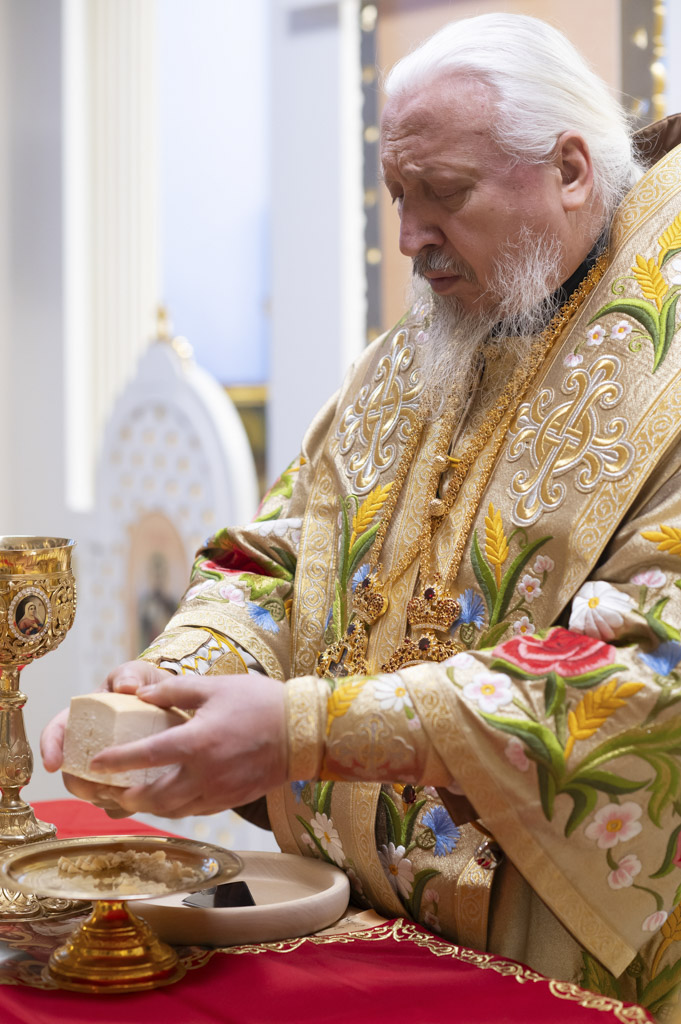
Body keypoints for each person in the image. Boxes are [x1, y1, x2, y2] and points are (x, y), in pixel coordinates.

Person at [41, 13, 681, 1017]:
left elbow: (654, 671)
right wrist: (181, 684)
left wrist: (305, 731)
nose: (410, 237)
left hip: (566, 956)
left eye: (444, 195)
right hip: (362, 927)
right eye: (397, 196)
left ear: (568, 170)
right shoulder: (424, 345)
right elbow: (286, 557)